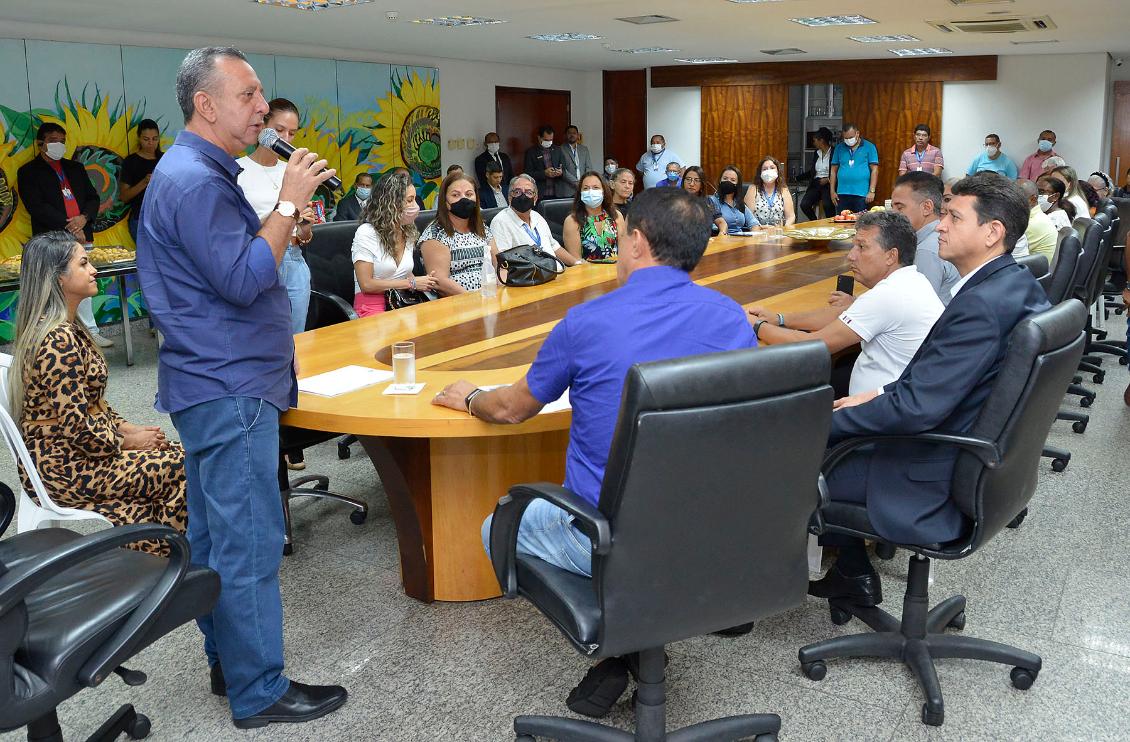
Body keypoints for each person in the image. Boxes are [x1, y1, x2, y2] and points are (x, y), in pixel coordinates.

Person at [430, 187, 758, 717]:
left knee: (500, 525)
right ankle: (637, 644)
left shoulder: (587, 322)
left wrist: (468, 396)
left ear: (635, 241)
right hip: (710, 529)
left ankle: (622, 651)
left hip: (611, 536)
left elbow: (513, 408)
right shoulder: (732, 320)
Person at [136, 46, 347, 728]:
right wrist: (289, 200)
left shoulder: (195, 172)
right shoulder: (195, 181)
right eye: (250, 94)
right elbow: (244, 277)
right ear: (207, 104)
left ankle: (227, 662)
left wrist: (283, 212)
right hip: (228, 385)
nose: (264, 107)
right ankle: (260, 691)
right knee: (249, 541)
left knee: (213, 535)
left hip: (211, 380)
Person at [807, 173, 1051, 608]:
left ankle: (750, 593)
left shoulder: (979, 307)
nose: (939, 225)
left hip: (927, 473)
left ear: (993, 233)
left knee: (798, 453)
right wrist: (882, 392)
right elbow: (941, 382)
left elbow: (917, 410)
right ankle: (850, 571)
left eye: (954, 217)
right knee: (843, 411)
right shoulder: (1014, 286)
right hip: (979, 463)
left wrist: (823, 424)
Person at [11, 230, 186, 556]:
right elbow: (78, 428)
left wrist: (127, 428)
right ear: (59, 278)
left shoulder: (64, 326)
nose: (93, 270)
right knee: (185, 464)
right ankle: (170, 562)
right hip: (65, 467)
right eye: (84, 264)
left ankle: (153, 562)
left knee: (160, 470)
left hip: (71, 455)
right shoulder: (58, 339)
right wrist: (128, 442)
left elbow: (92, 406)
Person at [749, 211, 943, 397]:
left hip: (880, 415)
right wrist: (780, 318)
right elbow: (840, 315)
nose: (851, 255)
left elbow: (812, 348)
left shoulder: (889, 296)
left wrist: (756, 326)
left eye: (861, 247)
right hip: (897, 398)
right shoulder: (910, 280)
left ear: (891, 256)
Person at [16, 122, 112, 348]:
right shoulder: (28, 171)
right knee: (53, 287)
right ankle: (56, 336)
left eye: (61, 140)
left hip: (82, 236)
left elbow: (93, 197)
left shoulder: (75, 168)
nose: (58, 145)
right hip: (52, 241)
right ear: (40, 144)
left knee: (84, 283)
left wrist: (84, 219)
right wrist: (70, 226)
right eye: (52, 140)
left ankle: (90, 332)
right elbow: (36, 206)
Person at [236, 97, 316, 336]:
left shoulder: (293, 172)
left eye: (292, 133)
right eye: (279, 130)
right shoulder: (239, 171)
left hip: (294, 256)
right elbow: (242, 228)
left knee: (297, 335)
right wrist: (282, 213)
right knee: (266, 335)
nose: (286, 139)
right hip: (261, 256)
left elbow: (304, 236)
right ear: (262, 126)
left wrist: (304, 226)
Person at [351, 172, 438, 317]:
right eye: (409, 201)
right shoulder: (366, 233)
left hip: (402, 301)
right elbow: (366, 285)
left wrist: (426, 282)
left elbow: (404, 273)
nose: (415, 206)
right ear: (390, 203)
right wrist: (412, 283)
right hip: (372, 305)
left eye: (414, 200)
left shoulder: (408, 231)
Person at [418, 171, 496, 294]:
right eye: (456, 195)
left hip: (490, 296)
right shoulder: (435, 234)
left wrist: (502, 289)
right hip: (458, 303)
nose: (464, 199)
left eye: (469, 194)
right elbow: (440, 281)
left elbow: (499, 263)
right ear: (445, 202)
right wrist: (473, 299)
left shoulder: (482, 228)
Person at [888, 172, 961, 304]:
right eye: (892, 207)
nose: (893, 214)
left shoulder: (928, 249)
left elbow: (915, 306)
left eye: (900, 207)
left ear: (927, 207)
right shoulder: (937, 236)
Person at [489, 174, 578, 266]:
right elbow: (502, 260)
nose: (523, 196)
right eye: (517, 192)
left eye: (529, 192)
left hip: (556, 273)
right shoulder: (500, 222)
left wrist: (577, 263)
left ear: (535, 199)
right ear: (510, 197)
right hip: (529, 277)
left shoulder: (537, 217)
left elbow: (555, 247)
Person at [563, 171, 625, 263]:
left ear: (604, 192)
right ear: (580, 193)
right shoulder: (572, 221)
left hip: (615, 271)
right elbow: (576, 261)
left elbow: (624, 252)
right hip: (586, 273)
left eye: (596, 188)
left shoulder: (616, 216)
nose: (590, 192)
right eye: (586, 188)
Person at [119, 118, 163, 241]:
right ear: (139, 138)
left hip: (164, 218)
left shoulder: (165, 159)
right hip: (140, 218)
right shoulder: (131, 161)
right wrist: (144, 182)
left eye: (155, 139)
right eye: (146, 139)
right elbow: (124, 196)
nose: (151, 143)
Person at [830, 123, 879, 213]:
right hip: (842, 193)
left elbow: (874, 170)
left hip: (861, 194)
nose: (848, 140)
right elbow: (833, 171)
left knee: (860, 222)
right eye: (846, 138)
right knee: (841, 222)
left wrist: (872, 191)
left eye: (850, 137)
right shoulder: (839, 148)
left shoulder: (869, 147)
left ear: (857, 133)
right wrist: (832, 191)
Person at [745, 156, 796, 227]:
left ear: (778, 171)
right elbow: (748, 216)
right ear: (760, 173)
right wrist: (758, 227)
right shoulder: (753, 189)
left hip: (778, 232)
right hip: (758, 231)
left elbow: (791, 217)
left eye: (772, 168)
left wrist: (784, 228)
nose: (768, 171)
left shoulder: (784, 190)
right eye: (765, 169)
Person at [708, 165, 758, 234]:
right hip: (721, 238)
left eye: (733, 180)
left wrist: (753, 236)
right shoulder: (712, 201)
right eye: (725, 178)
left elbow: (753, 223)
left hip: (741, 240)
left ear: (737, 184)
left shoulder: (739, 203)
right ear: (720, 181)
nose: (728, 182)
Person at [1017, 179, 1059, 259]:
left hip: (1035, 271)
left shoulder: (1033, 223)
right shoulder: (1035, 217)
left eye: (1017, 197)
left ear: (1032, 199)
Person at [799, 127, 835, 221]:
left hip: (828, 184)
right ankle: (815, 222)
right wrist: (798, 178)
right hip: (816, 183)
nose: (813, 143)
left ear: (821, 140)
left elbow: (838, 171)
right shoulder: (816, 153)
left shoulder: (834, 152)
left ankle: (830, 225)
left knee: (828, 205)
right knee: (804, 204)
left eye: (815, 140)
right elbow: (812, 171)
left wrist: (828, 179)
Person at [682, 165, 726, 234]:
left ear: (702, 185)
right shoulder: (675, 201)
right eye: (688, 179)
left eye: (696, 180)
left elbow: (721, 222)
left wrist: (722, 233)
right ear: (683, 181)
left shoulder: (707, 201)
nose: (691, 184)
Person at [523, 124, 563, 199]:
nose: (549, 142)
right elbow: (527, 174)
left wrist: (560, 172)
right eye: (546, 140)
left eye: (551, 140)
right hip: (540, 193)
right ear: (539, 138)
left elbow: (563, 167)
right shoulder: (531, 152)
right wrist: (544, 173)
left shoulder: (558, 150)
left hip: (557, 193)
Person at [559, 124, 591, 199]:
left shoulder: (584, 149)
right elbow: (562, 170)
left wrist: (584, 181)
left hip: (583, 187)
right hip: (567, 189)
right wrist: (576, 182)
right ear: (565, 135)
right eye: (569, 133)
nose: (572, 135)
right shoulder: (560, 149)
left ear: (577, 135)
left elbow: (588, 167)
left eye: (574, 133)